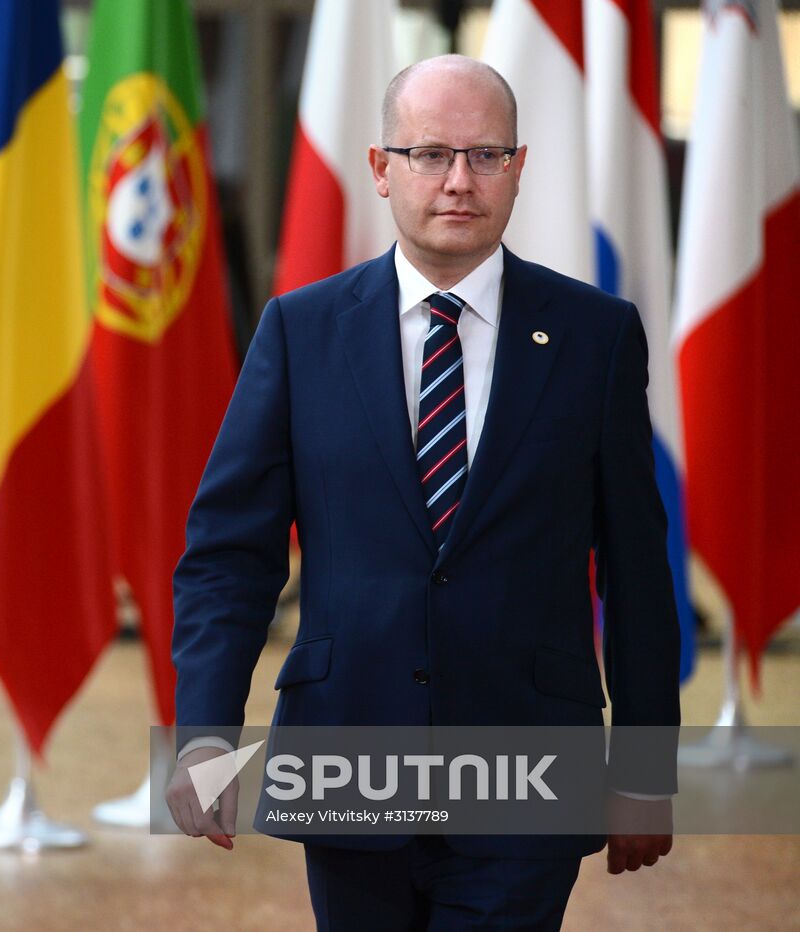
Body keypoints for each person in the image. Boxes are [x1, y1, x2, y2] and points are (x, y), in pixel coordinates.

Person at [164, 55, 680, 930]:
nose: (457, 181)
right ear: (380, 168)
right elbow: (230, 557)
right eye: (430, 153)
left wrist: (641, 769)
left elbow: (635, 567)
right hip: (350, 752)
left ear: (518, 168)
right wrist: (206, 732)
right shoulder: (301, 331)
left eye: (486, 155)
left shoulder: (596, 336)